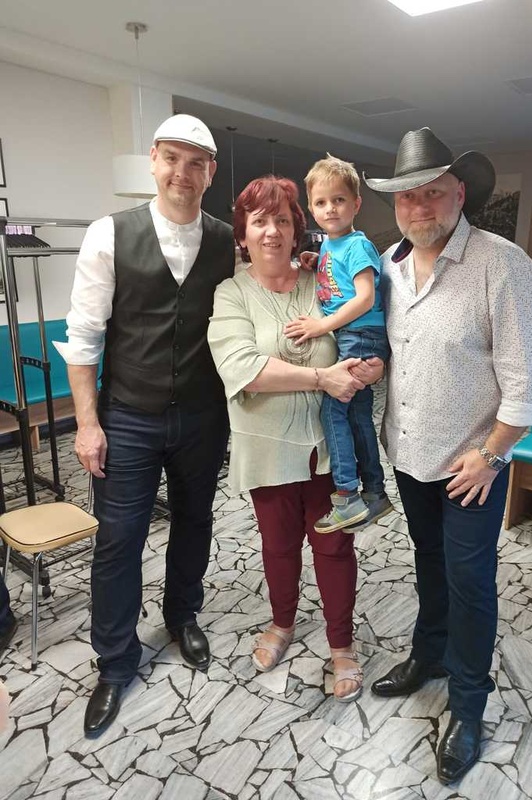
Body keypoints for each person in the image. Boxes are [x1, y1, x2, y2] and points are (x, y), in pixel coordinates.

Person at [365, 128, 532, 784]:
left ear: (460, 195)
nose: (419, 207)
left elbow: (531, 381)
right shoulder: (388, 267)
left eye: (433, 193)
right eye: (407, 197)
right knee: (429, 562)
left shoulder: (502, 265)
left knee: (469, 581)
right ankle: (430, 655)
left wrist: (492, 456)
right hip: (410, 453)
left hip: (472, 466)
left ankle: (468, 705)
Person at [56, 114, 234, 736]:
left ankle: (182, 615)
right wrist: (86, 424)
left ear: (210, 173)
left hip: (203, 414)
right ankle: (115, 661)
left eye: (196, 163)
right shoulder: (109, 234)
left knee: (195, 520)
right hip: (127, 416)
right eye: (172, 159)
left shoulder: (226, 241)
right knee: (118, 539)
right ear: (153, 161)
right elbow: (83, 337)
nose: (183, 173)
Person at [208, 175, 382, 702]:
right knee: (279, 546)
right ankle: (282, 621)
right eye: (259, 221)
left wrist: (372, 366)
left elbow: (363, 327)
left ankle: (341, 644)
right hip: (267, 447)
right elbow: (242, 368)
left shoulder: (320, 280)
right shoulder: (231, 293)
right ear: (243, 232)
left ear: (296, 229)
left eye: (282, 220)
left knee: (334, 548)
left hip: (329, 450)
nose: (271, 231)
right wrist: (322, 378)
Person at [284, 155, 392, 534]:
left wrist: (320, 326)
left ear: (356, 204)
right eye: (321, 202)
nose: (330, 208)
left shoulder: (358, 246)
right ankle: (375, 492)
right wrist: (318, 261)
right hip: (355, 335)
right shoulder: (333, 245)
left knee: (332, 412)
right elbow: (339, 279)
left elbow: (364, 297)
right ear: (311, 209)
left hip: (359, 335)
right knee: (358, 416)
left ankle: (347, 495)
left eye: (339, 200)